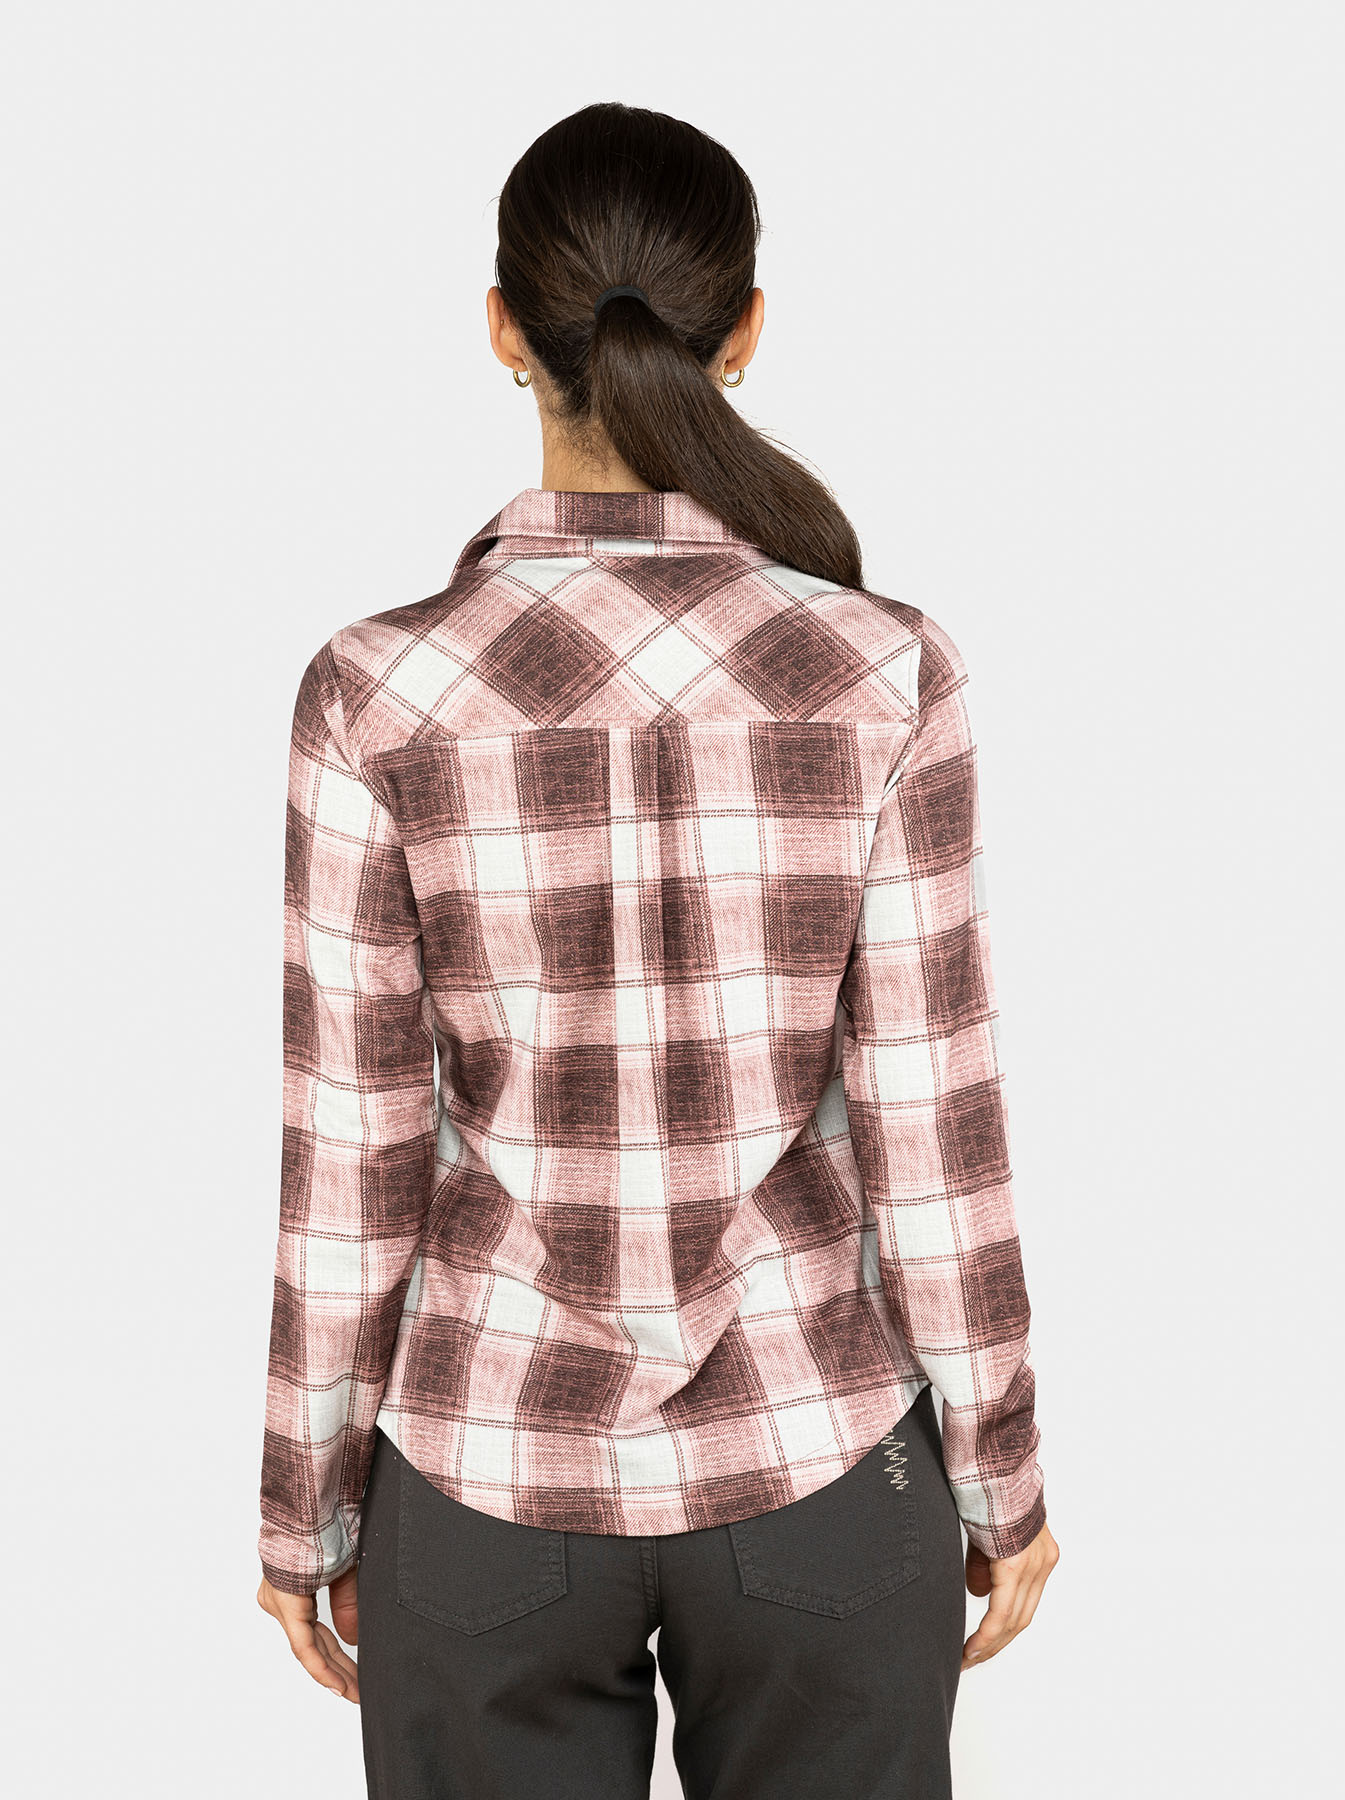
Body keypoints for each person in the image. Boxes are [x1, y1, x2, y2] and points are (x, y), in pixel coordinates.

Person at [255, 100, 1057, 1800]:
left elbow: (352, 1159)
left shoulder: (373, 690)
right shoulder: (885, 671)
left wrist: (304, 1504)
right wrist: (999, 1475)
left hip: (480, 1487)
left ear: (502, 327)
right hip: (822, 1468)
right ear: (743, 332)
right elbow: (930, 1134)